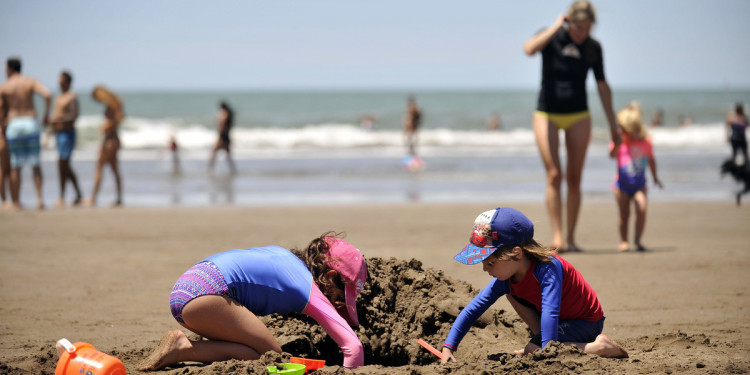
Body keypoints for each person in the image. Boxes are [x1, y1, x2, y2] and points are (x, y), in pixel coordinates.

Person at [137, 233, 367, 371]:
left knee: (250, 353)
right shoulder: (307, 287)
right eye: (340, 296)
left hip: (185, 289)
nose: (337, 304)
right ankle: (184, 349)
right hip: (207, 295)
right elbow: (353, 348)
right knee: (274, 359)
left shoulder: (283, 255)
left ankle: (183, 349)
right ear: (329, 277)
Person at [440, 207, 628, 363]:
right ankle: (546, 342)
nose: (484, 270)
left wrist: (545, 351)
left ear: (516, 254)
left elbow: (550, 311)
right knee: (511, 293)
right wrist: (449, 347)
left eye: (490, 263)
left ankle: (599, 347)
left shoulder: (547, 268)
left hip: (586, 322)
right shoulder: (507, 278)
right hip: (561, 320)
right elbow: (474, 309)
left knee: (532, 348)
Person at [523, 1, 621, 253]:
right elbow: (529, 49)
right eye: (578, 28)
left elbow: (602, 85)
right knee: (555, 174)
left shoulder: (593, 48)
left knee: (575, 178)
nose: (582, 34)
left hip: (578, 115)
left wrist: (613, 125)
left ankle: (571, 238)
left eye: (587, 29)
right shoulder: (552, 37)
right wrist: (555, 27)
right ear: (569, 21)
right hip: (547, 114)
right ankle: (557, 237)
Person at [0, 57, 51, 210]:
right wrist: (46, 115)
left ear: (9, 69)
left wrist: (3, 123)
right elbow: (47, 95)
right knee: (35, 164)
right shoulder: (30, 81)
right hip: (30, 122)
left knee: (16, 165)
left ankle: (16, 202)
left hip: (14, 124)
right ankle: (40, 199)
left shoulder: (5, 86)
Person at [611, 103, 663, 252]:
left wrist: (655, 178)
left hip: (640, 185)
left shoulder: (646, 143)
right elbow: (612, 155)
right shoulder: (620, 143)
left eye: (623, 129)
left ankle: (638, 239)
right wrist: (616, 144)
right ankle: (624, 240)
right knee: (624, 215)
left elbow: (651, 161)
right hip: (621, 185)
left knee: (642, 207)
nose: (621, 131)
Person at [49, 71, 83, 207]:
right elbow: (55, 117)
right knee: (61, 165)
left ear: (68, 82)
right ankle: (66, 195)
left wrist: (59, 119)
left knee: (64, 164)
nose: (59, 83)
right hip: (58, 133)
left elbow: (75, 115)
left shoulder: (71, 96)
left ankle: (73, 195)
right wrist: (49, 133)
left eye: (62, 81)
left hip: (68, 133)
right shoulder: (59, 97)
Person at [87, 85, 124, 207]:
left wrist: (107, 126)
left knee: (99, 167)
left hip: (109, 140)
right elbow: (120, 118)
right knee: (115, 169)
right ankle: (119, 198)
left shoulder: (112, 105)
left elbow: (118, 118)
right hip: (115, 139)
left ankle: (93, 198)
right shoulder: (117, 103)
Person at [208, 101, 236, 175]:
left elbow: (222, 126)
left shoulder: (225, 114)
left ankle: (210, 169)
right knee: (228, 155)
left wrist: (219, 136)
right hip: (226, 136)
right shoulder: (229, 114)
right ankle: (233, 170)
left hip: (223, 136)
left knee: (213, 153)